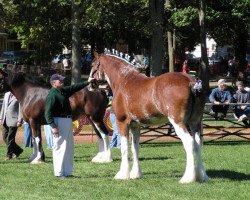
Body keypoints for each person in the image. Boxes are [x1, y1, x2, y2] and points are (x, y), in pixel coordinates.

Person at [45, 73, 95, 178]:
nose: (62, 82)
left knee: (68, 147)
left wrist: (88, 81)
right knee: (60, 147)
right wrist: (53, 126)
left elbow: (74, 87)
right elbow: (47, 113)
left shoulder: (62, 91)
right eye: (60, 81)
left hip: (67, 120)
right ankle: (59, 173)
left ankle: (68, 172)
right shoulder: (52, 94)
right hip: (58, 121)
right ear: (54, 83)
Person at [0, 91, 23, 160]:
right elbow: (4, 106)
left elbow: (21, 108)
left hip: (14, 120)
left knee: (10, 138)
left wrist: (20, 120)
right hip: (5, 119)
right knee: (4, 137)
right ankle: (18, 150)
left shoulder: (19, 94)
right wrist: (1, 117)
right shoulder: (6, 94)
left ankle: (9, 155)